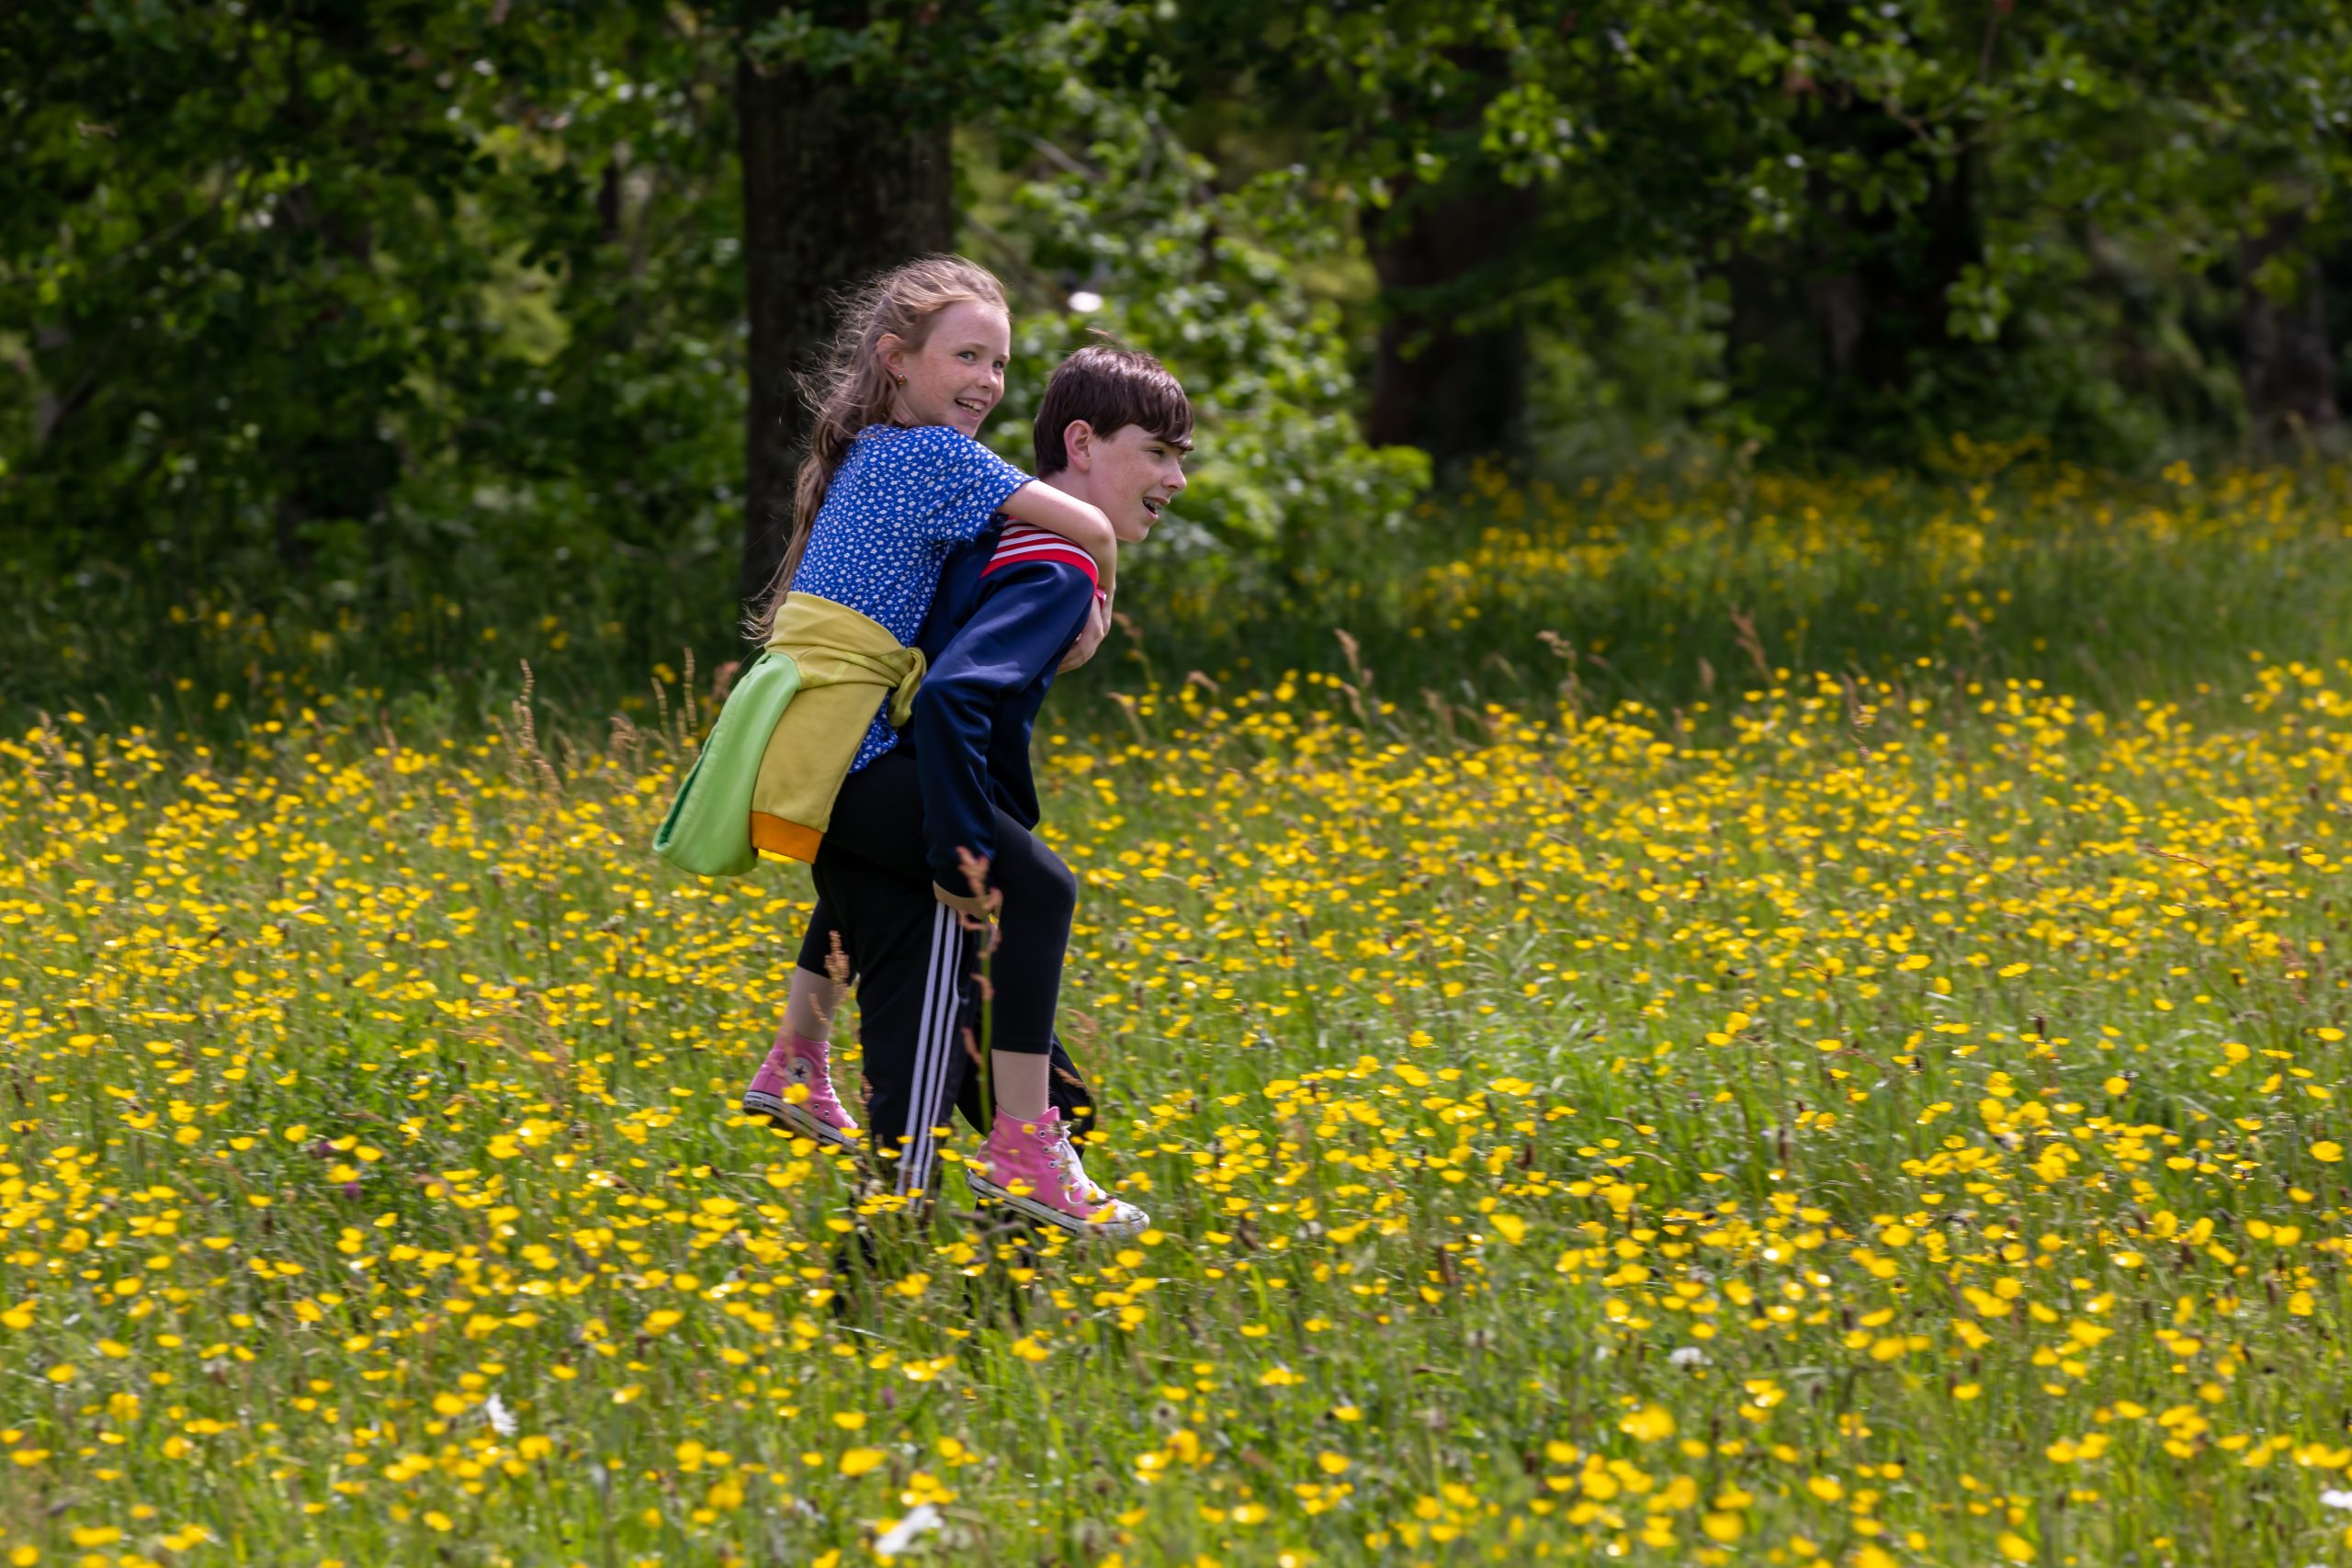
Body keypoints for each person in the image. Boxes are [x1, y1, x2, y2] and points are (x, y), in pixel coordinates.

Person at [652, 255, 1117, 1132]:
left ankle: (799, 1054)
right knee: (1029, 885)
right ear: (897, 358)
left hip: (810, 728)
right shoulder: (938, 455)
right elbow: (1087, 524)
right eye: (968, 357)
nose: (988, 382)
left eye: (1002, 364)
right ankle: (1025, 1137)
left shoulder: (875, 448)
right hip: (844, 739)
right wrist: (1100, 599)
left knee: (900, 861)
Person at [744, 346, 1192, 1238]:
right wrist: (963, 847)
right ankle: (988, 1202)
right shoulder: (1054, 566)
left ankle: (818, 1080)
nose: (1176, 477)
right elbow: (954, 698)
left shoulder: (988, 523)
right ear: (1081, 442)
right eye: (1159, 450)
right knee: (959, 1041)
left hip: (847, 777)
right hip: (908, 795)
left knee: (973, 1081)